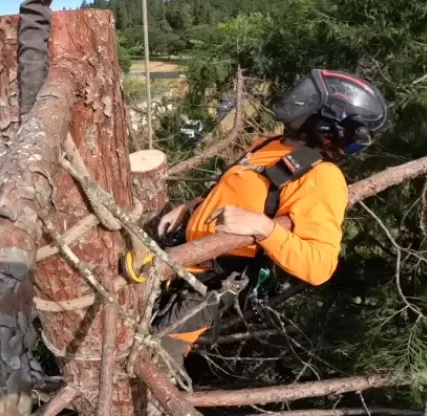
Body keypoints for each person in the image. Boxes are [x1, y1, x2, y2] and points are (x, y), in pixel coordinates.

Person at [151, 68, 388, 365]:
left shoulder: (322, 177)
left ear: (329, 123)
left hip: (209, 285)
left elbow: (320, 265)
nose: (299, 100)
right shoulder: (269, 144)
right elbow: (239, 192)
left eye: (310, 99)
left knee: (151, 358)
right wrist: (190, 206)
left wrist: (264, 228)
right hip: (178, 260)